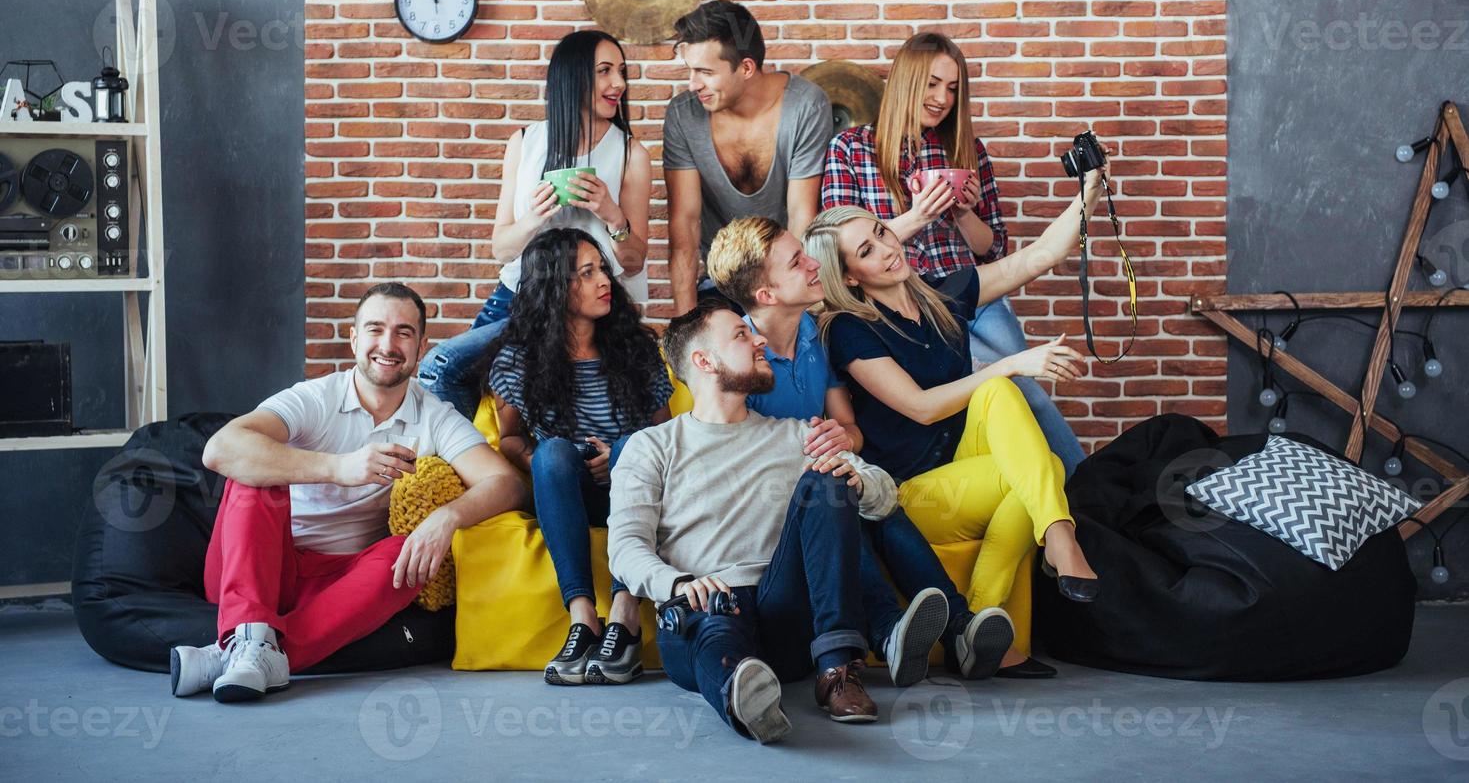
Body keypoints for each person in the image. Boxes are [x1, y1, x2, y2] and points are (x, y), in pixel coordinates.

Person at [171, 283, 526, 702]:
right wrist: (339, 468)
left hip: (338, 587)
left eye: (404, 332)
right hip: (257, 569)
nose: (388, 345)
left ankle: (238, 652)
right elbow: (220, 449)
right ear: (354, 338)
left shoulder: (434, 416)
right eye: (375, 330)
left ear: (421, 345)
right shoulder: (316, 398)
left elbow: (508, 482)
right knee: (254, 481)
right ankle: (251, 638)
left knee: (405, 555)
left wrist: (446, 517)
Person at [706, 216, 1015, 681]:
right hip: (772, 505)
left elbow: (851, 430)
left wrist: (839, 437)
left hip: (828, 480)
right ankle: (900, 632)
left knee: (871, 494)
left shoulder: (816, 335)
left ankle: (957, 629)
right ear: (766, 295)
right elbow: (728, 449)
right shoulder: (742, 356)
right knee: (844, 497)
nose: (815, 265)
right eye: (797, 262)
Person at [610, 301, 936, 743]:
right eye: (741, 336)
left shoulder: (796, 434)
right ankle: (743, 695)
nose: (760, 340)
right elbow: (625, 546)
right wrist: (677, 584)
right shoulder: (651, 446)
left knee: (829, 481)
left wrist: (857, 482)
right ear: (703, 361)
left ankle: (838, 671)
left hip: (784, 610)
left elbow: (882, 492)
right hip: (707, 603)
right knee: (713, 633)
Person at [806, 202, 1106, 677]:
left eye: (883, 233)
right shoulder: (850, 329)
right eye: (867, 250)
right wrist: (1010, 362)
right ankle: (1057, 537)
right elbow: (921, 406)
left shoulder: (940, 297)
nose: (887, 249)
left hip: (964, 469)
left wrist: (1088, 188)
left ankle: (989, 616)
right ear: (851, 277)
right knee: (1035, 455)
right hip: (909, 497)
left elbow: (1042, 254)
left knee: (1011, 417)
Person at [821, 31, 1087, 475]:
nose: (942, 98)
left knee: (1027, 395)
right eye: (931, 83)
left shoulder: (967, 149)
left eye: (952, 88)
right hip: (909, 306)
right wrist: (919, 216)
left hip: (971, 295)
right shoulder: (850, 149)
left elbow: (993, 247)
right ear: (906, 80)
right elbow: (840, 247)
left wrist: (963, 213)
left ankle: (1080, 494)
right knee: (988, 395)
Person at [419, 29, 653, 418]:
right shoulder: (525, 142)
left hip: (588, 308)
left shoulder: (632, 155)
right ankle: (470, 470)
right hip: (518, 299)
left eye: (622, 72)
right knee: (443, 370)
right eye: (606, 71)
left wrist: (611, 212)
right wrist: (533, 219)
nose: (620, 84)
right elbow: (501, 249)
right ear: (572, 77)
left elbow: (633, 262)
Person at [485, 228, 673, 686]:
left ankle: (624, 616)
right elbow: (509, 439)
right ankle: (584, 618)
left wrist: (624, 459)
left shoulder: (636, 347)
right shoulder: (517, 360)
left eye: (602, 269)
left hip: (641, 493)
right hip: (572, 494)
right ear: (553, 287)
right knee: (550, 451)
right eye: (586, 273)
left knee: (633, 444)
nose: (604, 280)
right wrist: (554, 464)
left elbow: (666, 434)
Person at [663, 0, 836, 314]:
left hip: (789, 280)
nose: (692, 84)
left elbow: (801, 214)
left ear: (745, 67)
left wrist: (790, 312)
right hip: (722, 282)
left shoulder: (805, 106)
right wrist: (685, 325)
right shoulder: (683, 115)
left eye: (704, 72)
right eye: (690, 70)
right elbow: (685, 225)